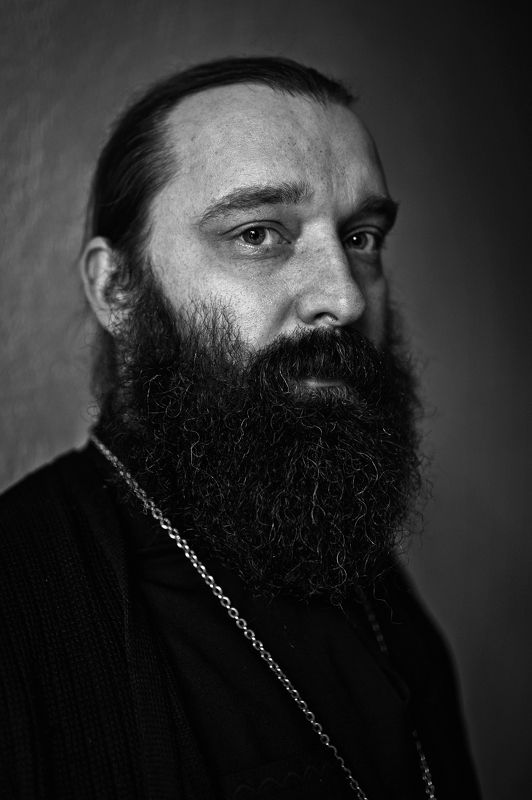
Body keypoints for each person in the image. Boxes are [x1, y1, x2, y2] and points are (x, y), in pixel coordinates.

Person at [0, 57, 481, 800]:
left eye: (361, 238)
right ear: (117, 288)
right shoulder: (17, 599)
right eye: (258, 234)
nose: (345, 299)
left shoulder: (374, 587)